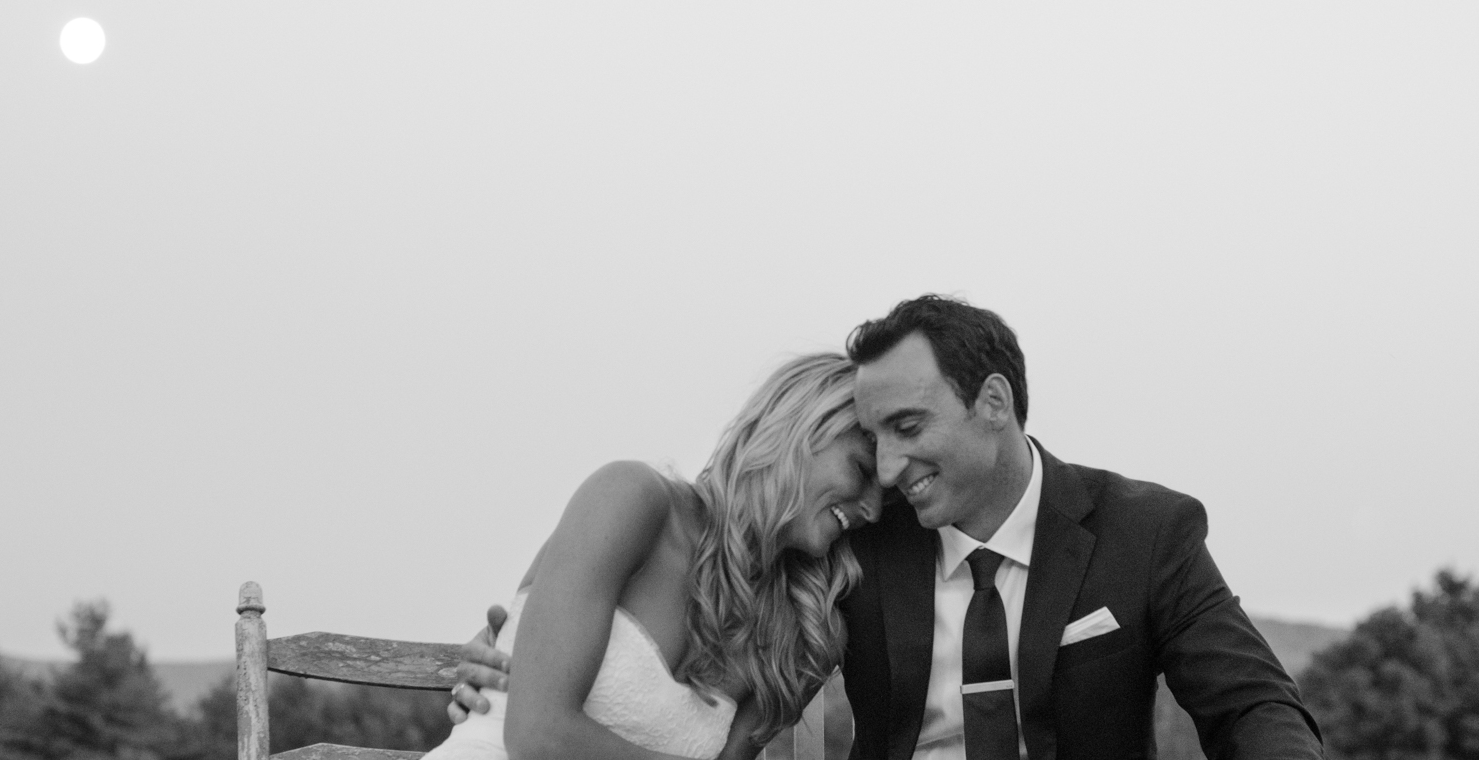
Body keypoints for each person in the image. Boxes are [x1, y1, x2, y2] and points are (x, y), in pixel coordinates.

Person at [454, 296, 1325, 760]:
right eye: (871, 448)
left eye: (908, 431)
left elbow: (1252, 705)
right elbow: (561, 700)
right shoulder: (860, 555)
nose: (889, 482)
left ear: (994, 403)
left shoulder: (1146, 532)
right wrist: (508, 651)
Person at [427, 352, 883, 760]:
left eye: (887, 499)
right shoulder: (631, 500)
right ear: (797, 429)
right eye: (861, 469)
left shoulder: (799, 634)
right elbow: (538, 737)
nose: (873, 508)